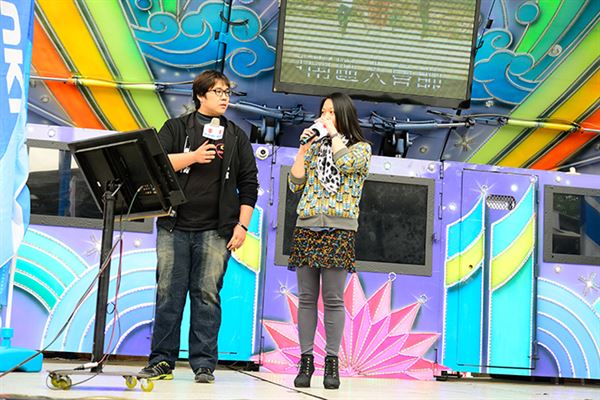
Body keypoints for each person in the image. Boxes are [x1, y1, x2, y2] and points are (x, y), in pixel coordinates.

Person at [140, 70, 259, 383]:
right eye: (218, 91)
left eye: (227, 92)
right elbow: (157, 163)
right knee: (169, 293)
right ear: (200, 95)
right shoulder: (176, 127)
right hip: (174, 226)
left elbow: (249, 183)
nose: (224, 97)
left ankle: (204, 364)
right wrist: (193, 156)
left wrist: (242, 226)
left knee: (207, 295)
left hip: (216, 230)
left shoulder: (236, 136)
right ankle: (161, 361)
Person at [288, 93, 371, 389]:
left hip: (339, 228)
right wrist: (303, 148)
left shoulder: (361, 149)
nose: (325, 116)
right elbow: (295, 182)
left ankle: (331, 362)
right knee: (306, 298)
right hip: (307, 225)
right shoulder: (315, 147)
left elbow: (345, 163)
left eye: (332, 112)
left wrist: (334, 133)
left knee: (334, 299)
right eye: (323, 111)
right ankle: (306, 360)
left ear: (344, 115)